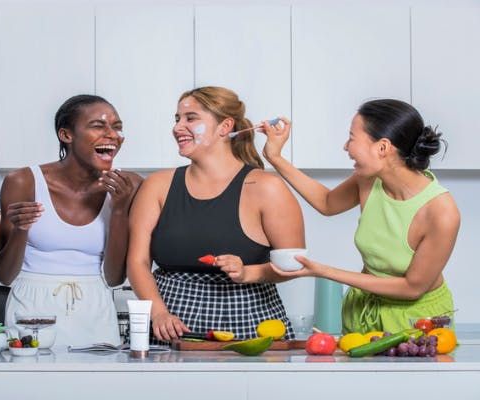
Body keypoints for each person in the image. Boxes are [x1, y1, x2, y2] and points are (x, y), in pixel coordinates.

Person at [262, 99, 459, 334]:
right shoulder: (369, 180)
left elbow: (412, 288)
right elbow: (326, 203)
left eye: (352, 138)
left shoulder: (441, 212)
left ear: (383, 147)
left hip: (418, 320)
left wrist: (322, 271)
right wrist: (275, 157)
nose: (346, 147)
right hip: (363, 311)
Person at [126, 86, 305, 343]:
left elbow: (294, 266)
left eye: (191, 118)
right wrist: (159, 314)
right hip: (169, 328)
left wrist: (248, 273)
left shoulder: (267, 188)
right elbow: (137, 262)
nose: (177, 128)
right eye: (176, 119)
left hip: (250, 325)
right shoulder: (157, 185)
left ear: (225, 127)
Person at [0, 94, 142, 346]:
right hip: (32, 306)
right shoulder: (24, 181)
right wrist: (21, 230)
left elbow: (115, 278)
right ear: (66, 135)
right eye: (98, 125)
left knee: (98, 384)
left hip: (96, 308)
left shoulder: (130, 186)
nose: (112, 134)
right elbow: (4, 276)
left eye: (117, 127)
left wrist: (118, 210)